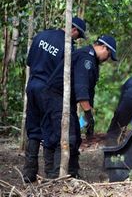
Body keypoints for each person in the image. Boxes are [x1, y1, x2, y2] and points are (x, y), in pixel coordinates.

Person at [42, 35, 118, 178]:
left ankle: (72, 172)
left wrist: (88, 116)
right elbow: (81, 89)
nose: (107, 59)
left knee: (75, 136)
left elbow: (89, 91)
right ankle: (57, 174)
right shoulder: (86, 58)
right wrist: (88, 114)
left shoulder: (91, 60)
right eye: (108, 54)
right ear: (103, 47)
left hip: (66, 99)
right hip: (56, 96)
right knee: (65, 135)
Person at [23, 17, 86, 183]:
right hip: (48, 91)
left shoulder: (41, 36)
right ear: (73, 29)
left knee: (33, 127)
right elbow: (64, 75)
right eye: (77, 35)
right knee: (51, 128)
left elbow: (29, 62)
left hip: (32, 86)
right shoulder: (67, 47)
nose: (76, 39)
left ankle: (29, 173)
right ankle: (52, 172)